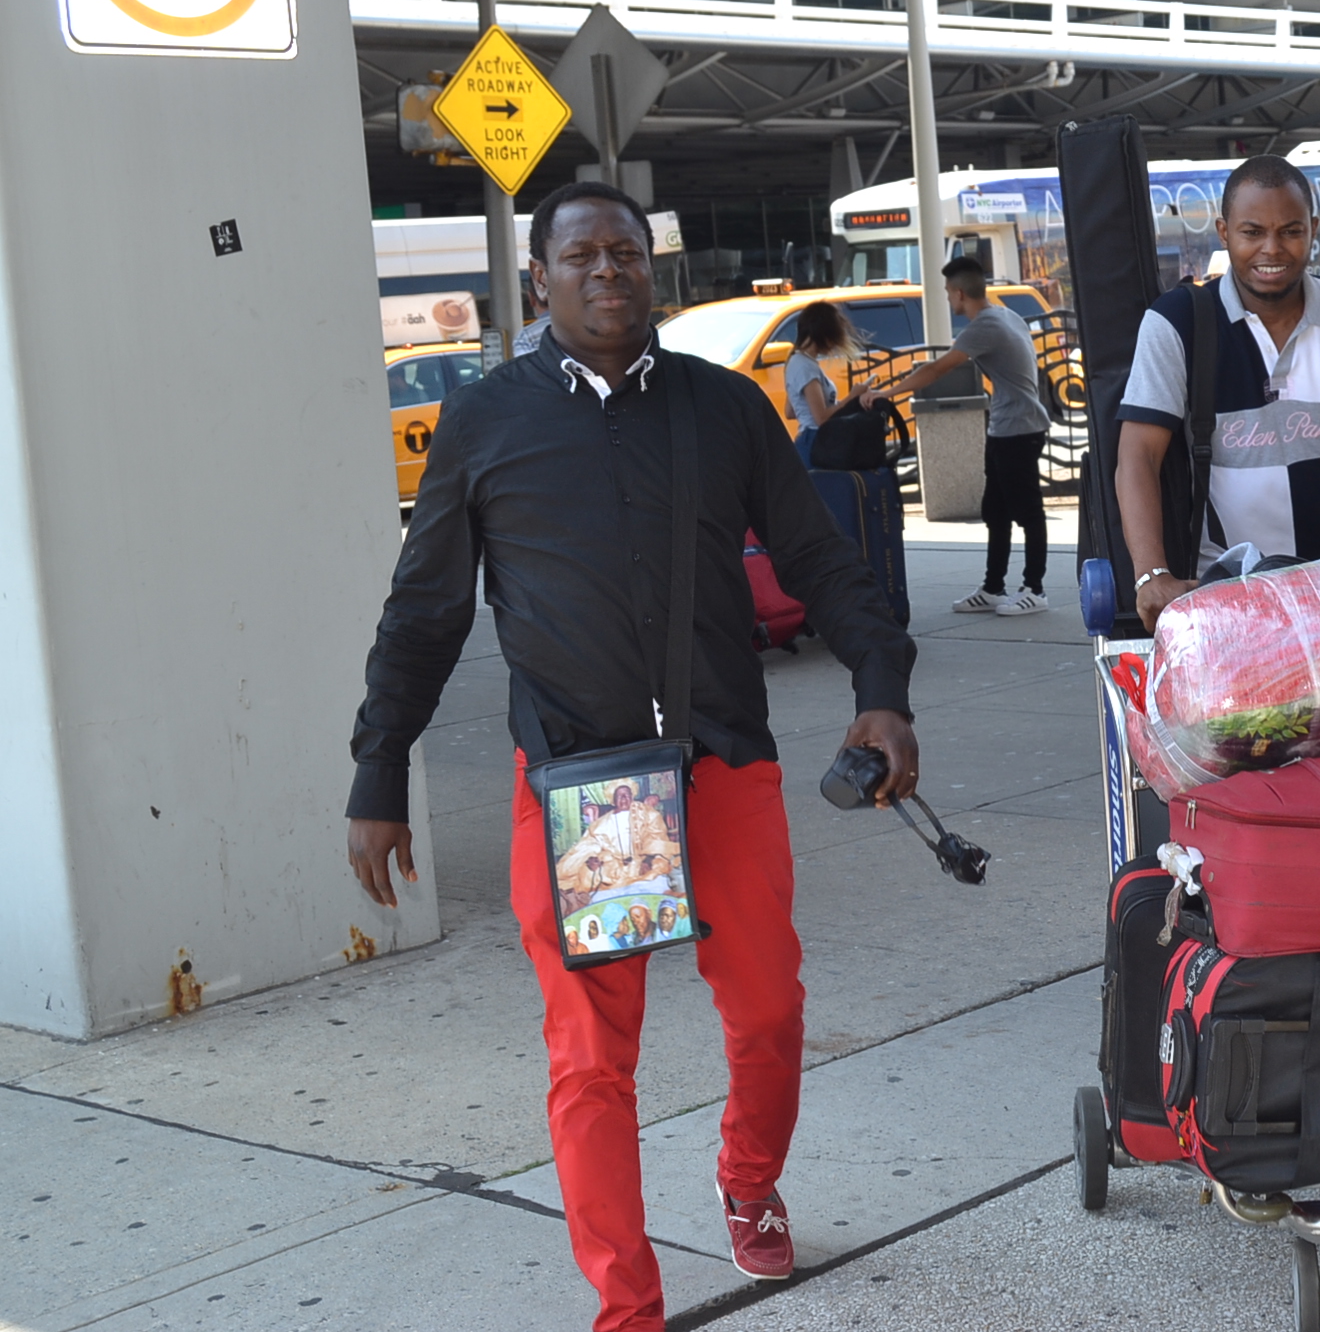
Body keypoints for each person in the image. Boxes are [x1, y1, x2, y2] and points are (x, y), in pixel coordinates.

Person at [344, 178, 920, 1327]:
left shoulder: (722, 409)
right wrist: (378, 770)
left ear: (650, 269)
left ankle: (747, 1185)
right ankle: (627, 1308)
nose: (608, 272)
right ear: (538, 279)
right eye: (582, 256)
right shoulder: (488, 420)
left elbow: (819, 558)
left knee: (765, 1015)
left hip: (721, 765)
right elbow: (425, 615)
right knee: (593, 1060)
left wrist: (881, 689)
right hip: (587, 790)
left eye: (627, 253)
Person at [1114, 155, 1320, 631]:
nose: (1272, 249)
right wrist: (1152, 574)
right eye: (1252, 232)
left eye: (1290, 231)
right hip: (1224, 598)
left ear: (1314, 228)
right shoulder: (1176, 321)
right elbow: (1137, 456)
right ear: (1223, 231)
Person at [862, 258, 1053, 616]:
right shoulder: (1007, 315)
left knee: (1028, 513)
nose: (949, 301)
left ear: (960, 293)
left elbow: (937, 368)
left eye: (950, 293)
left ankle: (1035, 589)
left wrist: (888, 394)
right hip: (1006, 427)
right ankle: (994, 587)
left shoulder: (984, 326)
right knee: (995, 512)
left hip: (1019, 429)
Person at [782, 300, 873, 469]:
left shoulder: (797, 362)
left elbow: (790, 411)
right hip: (816, 442)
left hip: (808, 441)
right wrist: (852, 397)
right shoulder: (805, 367)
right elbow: (821, 418)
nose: (834, 345)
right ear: (823, 334)